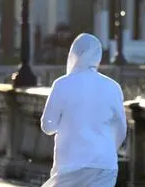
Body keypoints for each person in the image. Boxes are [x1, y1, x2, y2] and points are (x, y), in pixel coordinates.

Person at [40, 33, 127, 187]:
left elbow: (48, 126)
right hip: (104, 164)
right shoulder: (113, 87)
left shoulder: (62, 84)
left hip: (71, 164)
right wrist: (106, 149)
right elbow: (121, 128)